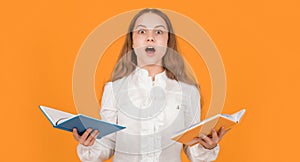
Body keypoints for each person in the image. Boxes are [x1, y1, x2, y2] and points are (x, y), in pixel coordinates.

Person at [72, 8, 229, 162]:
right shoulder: (114, 89)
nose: (150, 38)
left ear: (168, 42)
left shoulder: (188, 91)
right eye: (142, 32)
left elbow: (193, 150)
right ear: (132, 42)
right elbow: (107, 145)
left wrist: (207, 147)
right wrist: (89, 145)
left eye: (158, 32)